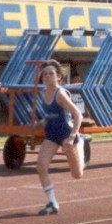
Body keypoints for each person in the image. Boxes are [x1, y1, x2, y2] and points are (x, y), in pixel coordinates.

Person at [34, 60, 84, 215]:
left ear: (58, 77)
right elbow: (50, 115)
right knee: (41, 167)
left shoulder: (60, 94)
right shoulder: (42, 94)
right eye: (45, 74)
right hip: (51, 135)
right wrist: (41, 122)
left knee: (77, 175)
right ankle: (52, 203)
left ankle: (81, 143)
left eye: (51, 74)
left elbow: (77, 114)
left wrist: (72, 136)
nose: (47, 76)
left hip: (66, 134)